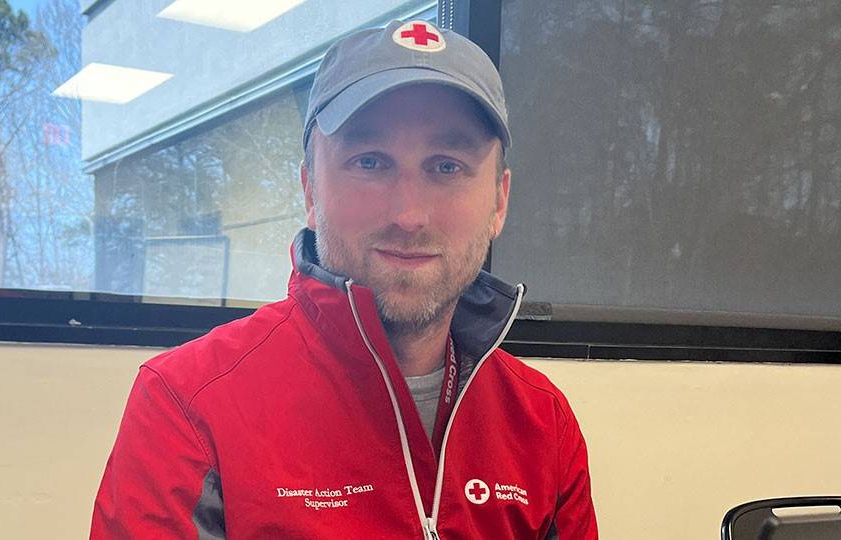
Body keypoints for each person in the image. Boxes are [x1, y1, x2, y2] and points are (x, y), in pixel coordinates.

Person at [91, 19, 598, 539]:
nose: (409, 213)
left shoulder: (543, 424)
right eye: (370, 161)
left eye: (447, 167)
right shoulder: (188, 409)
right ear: (311, 190)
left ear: (498, 201)